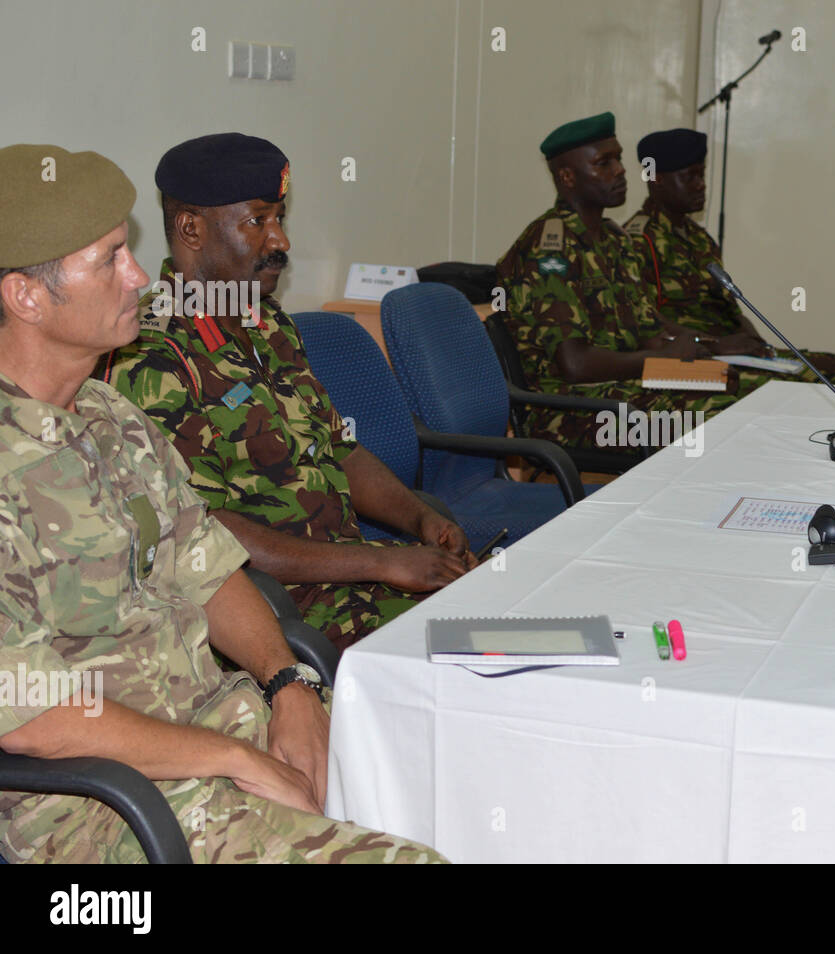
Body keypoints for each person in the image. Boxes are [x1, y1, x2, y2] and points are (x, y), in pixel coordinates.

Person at [0, 143, 443, 863]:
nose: (140, 277)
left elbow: (207, 567)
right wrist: (233, 759)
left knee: (456, 771)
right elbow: (33, 718)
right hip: (105, 804)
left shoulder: (113, 418)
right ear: (25, 295)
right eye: (110, 259)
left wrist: (289, 682)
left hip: (221, 728)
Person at [102, 134, 473, 649]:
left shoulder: (267, 323)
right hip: (279, 617)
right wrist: (384, 560)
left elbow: (336, 449)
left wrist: (421, 519)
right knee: (462, 654)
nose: (280, 241)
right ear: (191, 228)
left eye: (280, 218)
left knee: (505, 610)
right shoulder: (152, 358)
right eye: (258, 221)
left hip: (351, 578)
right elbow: (203, 532)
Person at [497, 112, 767, 448]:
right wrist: (663, 361)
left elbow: (649, 330)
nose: (621, 170)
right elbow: (575, 364)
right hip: (568, 411)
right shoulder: (549, 248)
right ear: (567, 176)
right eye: (604, 163)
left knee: (747, 394)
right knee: (717, 418)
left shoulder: (615, 240)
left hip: (624, 387)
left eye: (619, 159)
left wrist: (699, 346)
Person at [624, 128, 835, 389]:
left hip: (733, 351)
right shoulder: (639, 240)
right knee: (782, 389)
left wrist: (757, 343)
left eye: (702, 174)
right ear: (656, 179)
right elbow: (646, 323)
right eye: (689, 177)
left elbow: (729, 306)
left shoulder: (699, 237)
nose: (701, 184)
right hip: (694, 359)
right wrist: (714, 344)